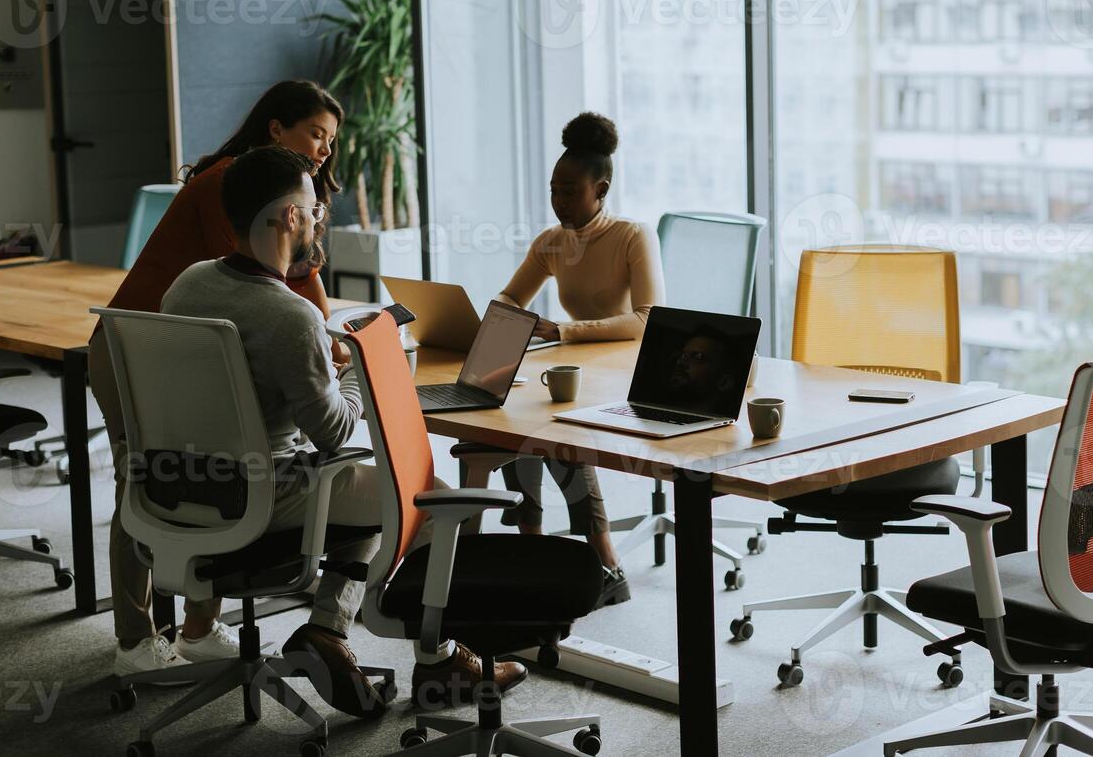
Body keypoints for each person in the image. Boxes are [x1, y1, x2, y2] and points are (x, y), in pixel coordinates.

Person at [161, 146, 526, 715]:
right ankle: (439, 660)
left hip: (186, 484)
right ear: (288, 218)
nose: (318, 219)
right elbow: (333, 431)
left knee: (366, 482)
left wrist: (316, 374)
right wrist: (359, 370)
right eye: (313, 208)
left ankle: (329, 631)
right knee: (427, 496)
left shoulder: (187, 285)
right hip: (265, 493)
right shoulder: (289, 314)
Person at [90, 80, 345, 680]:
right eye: (315, 134)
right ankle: (133, 641)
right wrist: (324, 338)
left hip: (175, 347)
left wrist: (320, 334)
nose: (324, 151)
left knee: (214, 462)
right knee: (148, 478)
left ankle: (199, 630)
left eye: (331, 142)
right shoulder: (234, 183)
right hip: (132, 349)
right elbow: (269, 274)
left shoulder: (267, 184)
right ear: (276, 128)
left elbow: (282, 278)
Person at [495, 112, 665, 607]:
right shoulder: (552, 242)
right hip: (575, 366)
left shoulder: (633, 236)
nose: (559, 200)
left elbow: (648, 319)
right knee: (509, 414)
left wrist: (563, 330)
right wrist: (495, 322)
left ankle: (606, 557)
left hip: (627, 367)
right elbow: (510, 297)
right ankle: (532, 540)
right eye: (553, 189)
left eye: (570, 190)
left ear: (601, 189)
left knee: (555, 427)